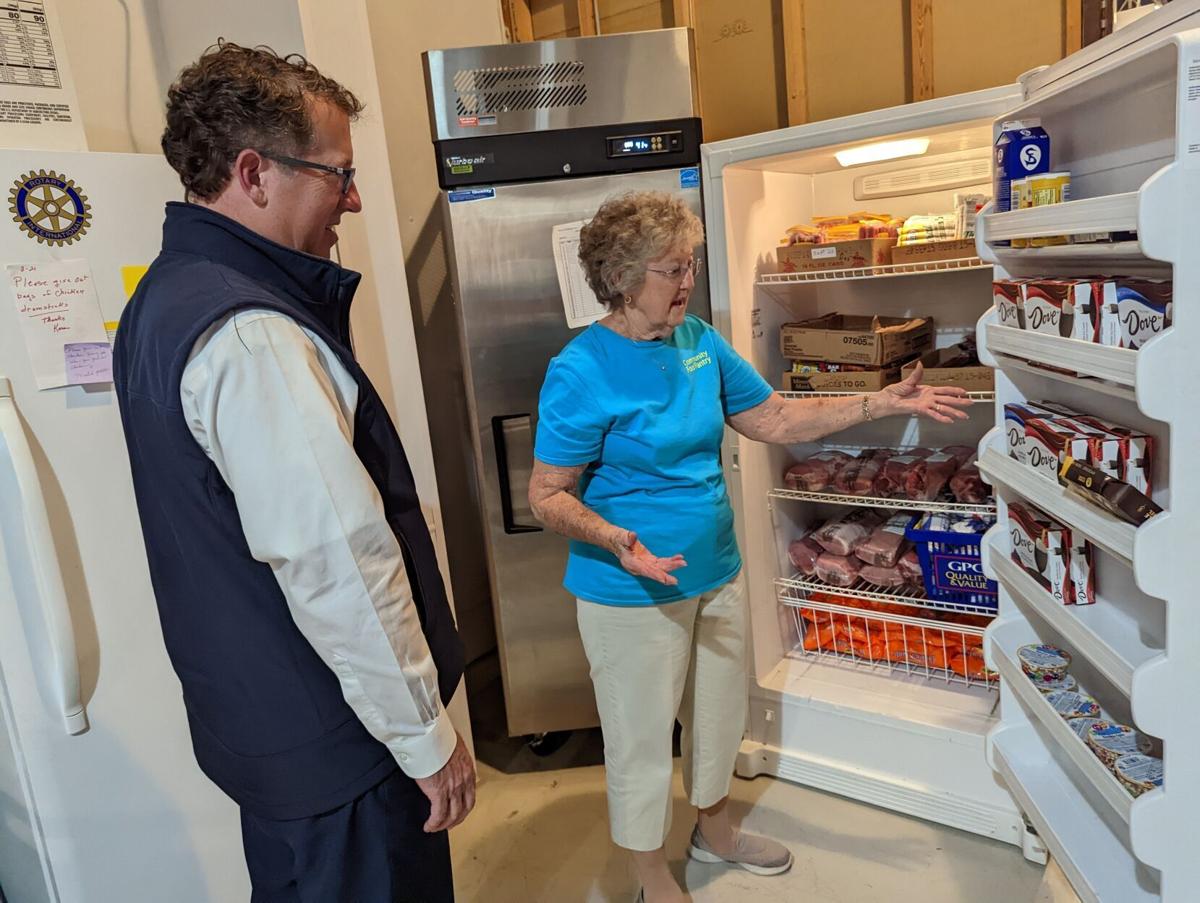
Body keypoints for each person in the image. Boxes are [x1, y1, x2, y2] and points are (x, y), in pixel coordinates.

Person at [528, 191, 970, 903]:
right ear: (621, 276)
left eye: (691, 264)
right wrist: (616, 539)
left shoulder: (697, 340)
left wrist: (880, 401)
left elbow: (773, 414)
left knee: (718, 714)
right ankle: (646, 870)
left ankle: (717, 831)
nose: (687, 282)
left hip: (716, 569)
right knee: (641, 736)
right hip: (631, 589)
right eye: (672, 269)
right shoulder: (582, 369)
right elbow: (546, 494)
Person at [112, 43, 473, 902]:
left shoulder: (164, 297)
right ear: (255, 172)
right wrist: (428, 741)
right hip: (341, 752)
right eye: (338, 174)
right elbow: (339, 559)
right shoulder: (251, 333)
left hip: (268, 733)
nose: (351, 198)